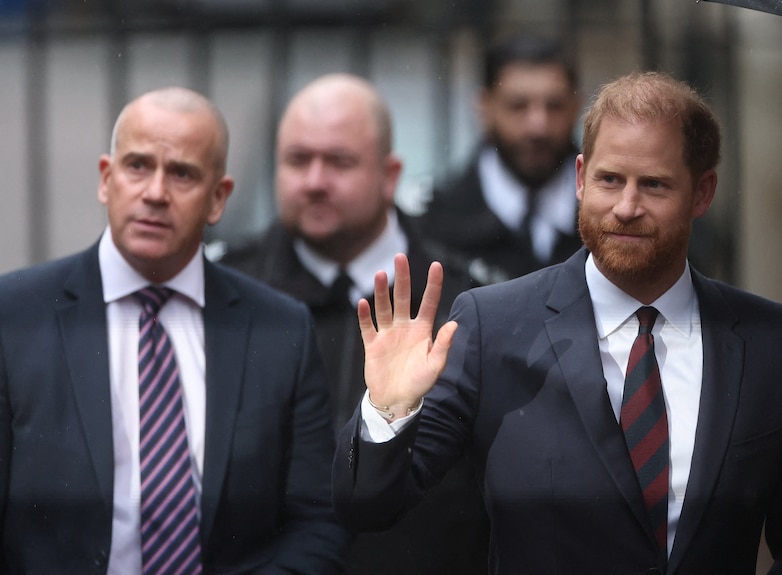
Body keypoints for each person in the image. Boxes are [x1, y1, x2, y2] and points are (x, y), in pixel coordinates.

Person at [332, 71, 782, 574]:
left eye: (653, 185)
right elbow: (370, 506)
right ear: (581, 178)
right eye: (609, 179)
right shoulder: (492, 324)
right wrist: (388, 411)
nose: (626, 207)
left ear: (702, 193)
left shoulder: (773, 343)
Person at [0, 87, 350, 574]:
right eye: (137, 166)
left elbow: (316, 519)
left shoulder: (280, 329)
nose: (155, 193)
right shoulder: (14, 316)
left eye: (182, 173)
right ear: (107, 179)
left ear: (218, 198)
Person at [219, 74, 488, 575]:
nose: (315, 180)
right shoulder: (224, 291)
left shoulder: (467, 301)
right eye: (298, 160)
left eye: (339, 162)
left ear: (390, 175)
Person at [417, 33, 583, 285]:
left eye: (554, 105)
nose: (538, 126)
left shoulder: (610, 218)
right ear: (485, 107)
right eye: (518, 106)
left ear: (576, 106)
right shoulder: (436, 228)